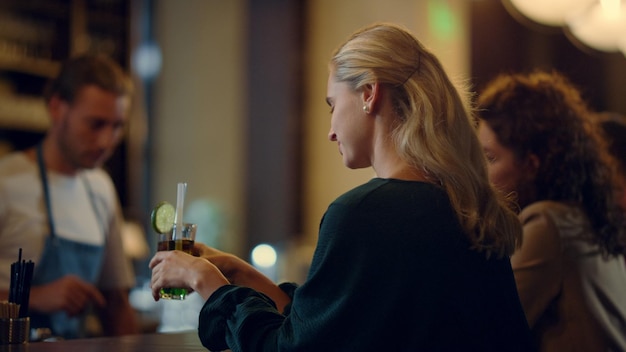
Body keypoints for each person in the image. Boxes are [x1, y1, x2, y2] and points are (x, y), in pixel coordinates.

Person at [150, 23, 533, 351]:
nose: (330, 130)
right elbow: (331, 325)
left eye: (332, 104)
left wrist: (205, 282)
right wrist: (239, 272)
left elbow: (291, 348)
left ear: (369, 94)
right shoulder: (465, 204)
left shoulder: (363, 212)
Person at [476, 70, 626, 351]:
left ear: (531, 165)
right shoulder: (585, 216)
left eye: (489, 158)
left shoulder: (548, 225)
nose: (480, 173)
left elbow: (485, 333)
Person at [0, 54, 139, 339]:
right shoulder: (6, 182)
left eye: (117, 126)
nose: (106, 142)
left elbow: (115, 304)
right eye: (95, 124)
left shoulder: (101, 188)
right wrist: (36, 297)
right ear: (56, 108)